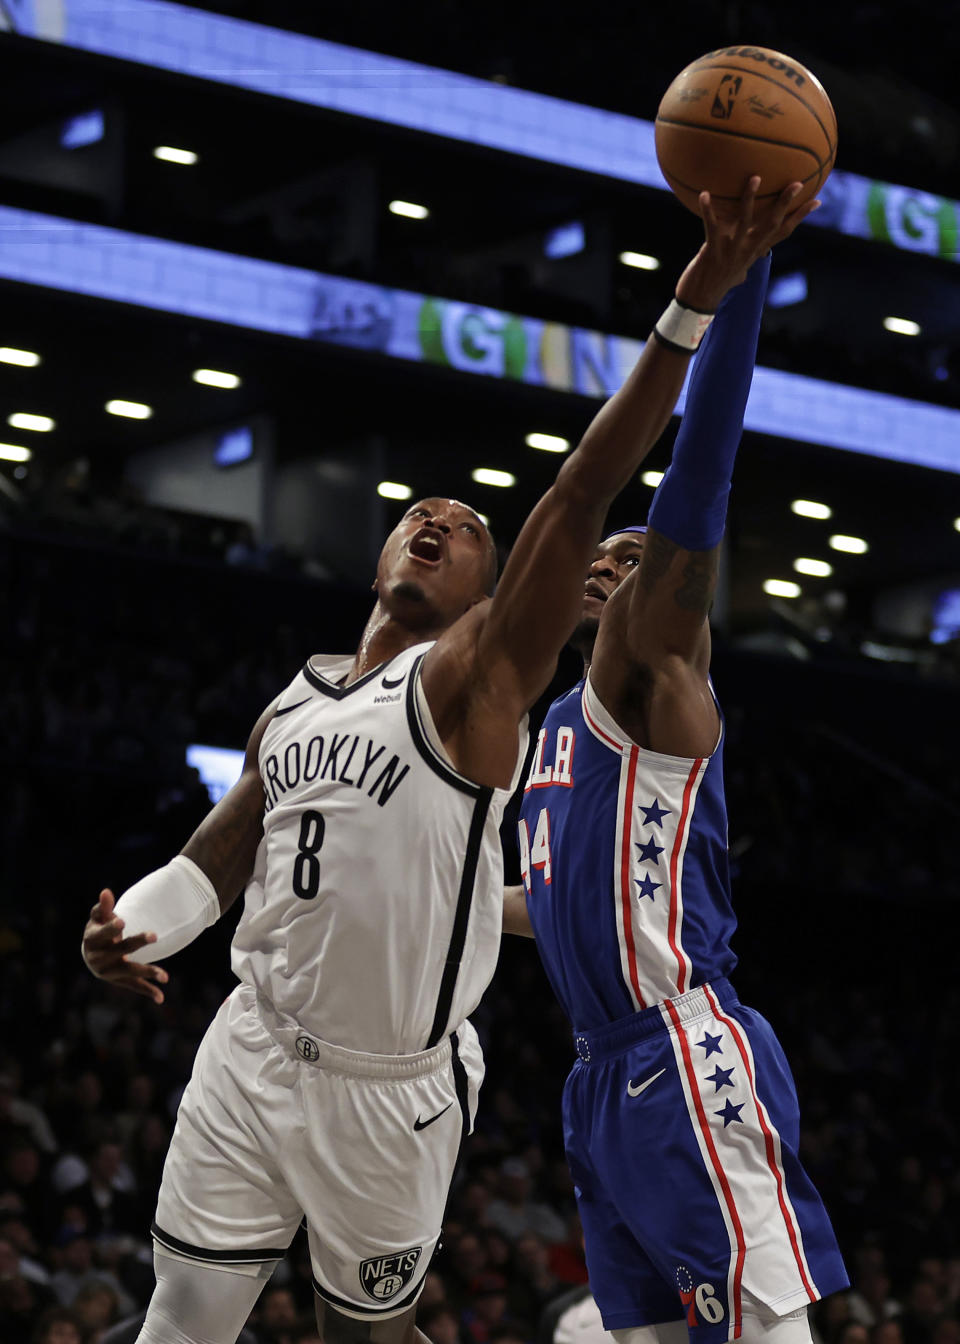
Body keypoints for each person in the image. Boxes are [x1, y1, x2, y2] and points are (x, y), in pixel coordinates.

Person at [81, 179, 809, 1344]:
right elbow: (225, 851)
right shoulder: (301, 696)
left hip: (404, 1085)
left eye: (470, 528)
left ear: (504, 596)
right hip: (253, 1039)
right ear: (378, 552)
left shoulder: (478, 682)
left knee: (372, 1332)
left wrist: (697, 302)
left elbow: (587, 495)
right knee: (181, 1317)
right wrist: (135, 930)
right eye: (420, 509)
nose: (439, 518)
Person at [503, 190, 847, 1344]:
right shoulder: (545, 727)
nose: (617, 562)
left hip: (681, 1050)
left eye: (641, 558)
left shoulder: (650, 674)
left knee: (758, 1334)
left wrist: (733, 280)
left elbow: (699, 472)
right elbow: (544, 904)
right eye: (604, 553)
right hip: (598, 1079)